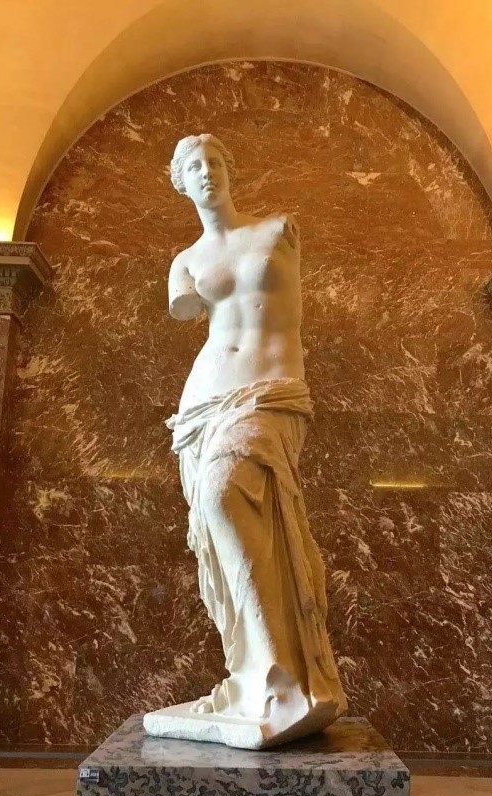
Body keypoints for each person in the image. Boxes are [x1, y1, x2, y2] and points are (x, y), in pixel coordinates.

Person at [143, 134, 346, 749]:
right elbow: (190, 314)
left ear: (230, 170)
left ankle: (283, 674)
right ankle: (262, 673)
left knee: (221, 495)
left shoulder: (278, 230)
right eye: (193, 167)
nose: (207, 172)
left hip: (271, 391)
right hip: (204, 403)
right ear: (181, 182)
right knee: (221, 521)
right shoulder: (185, 263)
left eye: (215, 162)